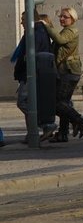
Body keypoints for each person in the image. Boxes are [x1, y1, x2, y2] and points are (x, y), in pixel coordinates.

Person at [44, 7, 83, 141]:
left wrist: (46, 26)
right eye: (61, 16)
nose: (62, 19)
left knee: (57, 103)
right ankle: (63, 134)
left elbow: (60, 40)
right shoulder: (66, 30)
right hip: (65, 71)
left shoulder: (72, 30)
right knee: (63, 103)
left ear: (73, 18)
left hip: (69, 72)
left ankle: (80, 121)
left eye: (65, 17)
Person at [11, 10, 57, 141]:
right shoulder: (33, 32)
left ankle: (45, 124)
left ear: (30, 20)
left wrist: (25, 62)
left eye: (23, 19)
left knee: (24, 102)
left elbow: (31, 55)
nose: (21, 22)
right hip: (29, 73)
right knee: (29, 101)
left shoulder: (36, 33)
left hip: (31, 74)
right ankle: (32, 133)